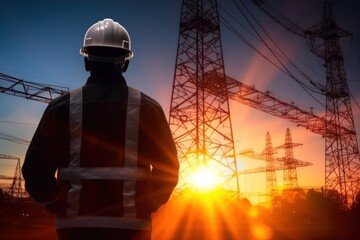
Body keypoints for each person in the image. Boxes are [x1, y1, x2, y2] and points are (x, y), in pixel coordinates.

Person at [22, 18, 179, 240]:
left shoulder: (60, 108)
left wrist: (57, 204)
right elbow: (168, 170)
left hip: (74, 229)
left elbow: (34, 171)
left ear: (87, 62)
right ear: (125, 64)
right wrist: (146, 205)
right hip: (132, 229)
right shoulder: (148, 109)